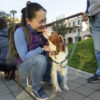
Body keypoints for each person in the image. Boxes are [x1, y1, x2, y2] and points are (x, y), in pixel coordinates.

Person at [14, 1, 62, 100]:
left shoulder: (42, 31)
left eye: (45, 20)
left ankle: (38, 76)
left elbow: (50, 47)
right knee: (40, 59)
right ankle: (35, 87)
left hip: (43, 63)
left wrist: (55, 39)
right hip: (26, 65)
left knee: (59, 80)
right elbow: (25, 57)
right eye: (40, 21)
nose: (44, 24)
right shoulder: (20, 32)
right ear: (28, 20)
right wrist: (42, 48)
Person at [82, 0, 100, 83]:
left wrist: (88, 12)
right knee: (98, 50)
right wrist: (86, 12)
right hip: (94, 17)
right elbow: (90, 2)